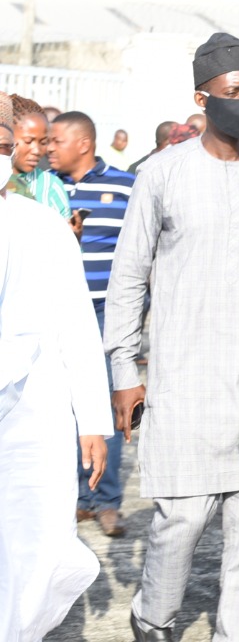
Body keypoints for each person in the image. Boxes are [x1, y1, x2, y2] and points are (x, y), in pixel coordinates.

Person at [105, 32, 239, 642]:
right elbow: (129, 276)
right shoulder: (162, 174)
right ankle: (154, 620)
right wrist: (123, 370)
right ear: (202, 97)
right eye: (234, 92)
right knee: (180, 522)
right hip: (184, 381)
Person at [0, 108, 114, 640]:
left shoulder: (42, 225)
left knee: (33, 545)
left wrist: (92, 420)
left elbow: (76, 326)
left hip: (31, 417)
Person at [49, 110, 135, 538]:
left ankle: (106, 500)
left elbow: (142, 249)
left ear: (84, 143)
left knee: (102, 406)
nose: (48, 149)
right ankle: (75, 498)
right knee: (60, 407)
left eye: (56, 141)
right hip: (55, 311)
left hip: (104, 312)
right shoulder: (44, 188)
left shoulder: (125, 187)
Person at [8, 93, 70, 218]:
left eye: (43, 142)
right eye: (28, 141)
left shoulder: (51, 186)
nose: (36, 150)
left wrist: (73, 234)